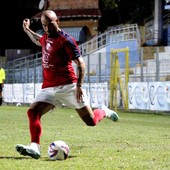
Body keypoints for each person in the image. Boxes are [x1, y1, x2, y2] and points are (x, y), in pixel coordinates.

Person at [15, 10, 119, 159]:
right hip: (49, 88)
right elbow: (39, 39)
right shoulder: (46, 36)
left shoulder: (67, 40)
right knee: (33, 112)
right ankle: (34, 147)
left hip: (68, 86)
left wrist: (79, 86)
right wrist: (27, 30)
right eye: (44, 25)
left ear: (57, 21)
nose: (47, 28)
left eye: (50, 24)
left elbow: (81, 64)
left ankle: (103, 111)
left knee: (91, 122)